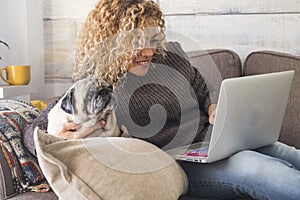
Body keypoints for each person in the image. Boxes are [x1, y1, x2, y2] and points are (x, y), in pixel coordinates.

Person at [24, 0, 300, 199]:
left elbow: (203, 88)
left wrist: (213, 106)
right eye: (136, 43)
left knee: (288, 154)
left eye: (153, 39)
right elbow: (33, 127)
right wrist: (59, 132)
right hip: (178, 163)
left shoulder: (172, 56)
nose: (148, 51)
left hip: (213, 141)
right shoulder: (98, 83)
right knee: (264, 171)